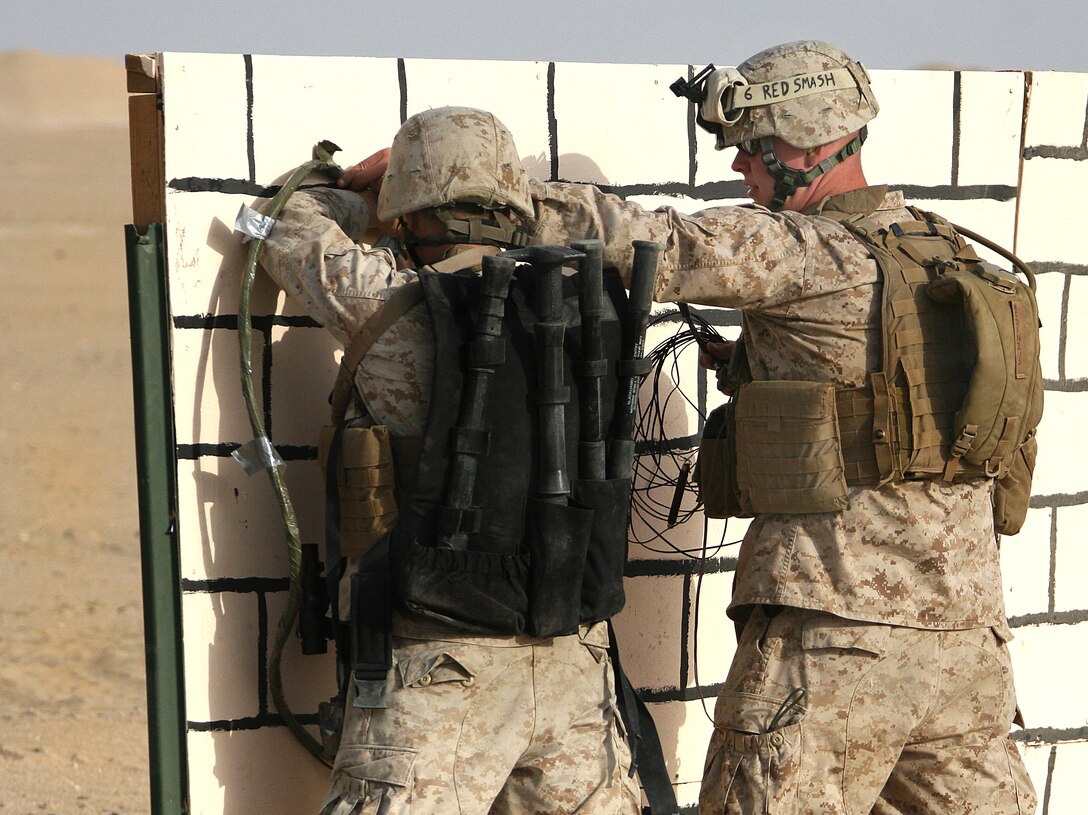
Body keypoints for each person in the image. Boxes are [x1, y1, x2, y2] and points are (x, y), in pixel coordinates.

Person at [339, 39, 1039, 815]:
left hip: (834, 641)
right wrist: (755, 368)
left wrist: (455, 191)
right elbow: (898, 401)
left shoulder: (803, 253)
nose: (742, 169)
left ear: (802, 141)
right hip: (969, 649)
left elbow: (648, 240)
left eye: (752, 150)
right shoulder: (954, 256)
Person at [259, 106, 645, 815]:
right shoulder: (590, 310)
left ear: (411, 208)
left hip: (438, 664)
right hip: (575, 660)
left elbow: (278, 223)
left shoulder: (395, 302)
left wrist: (361, 198)